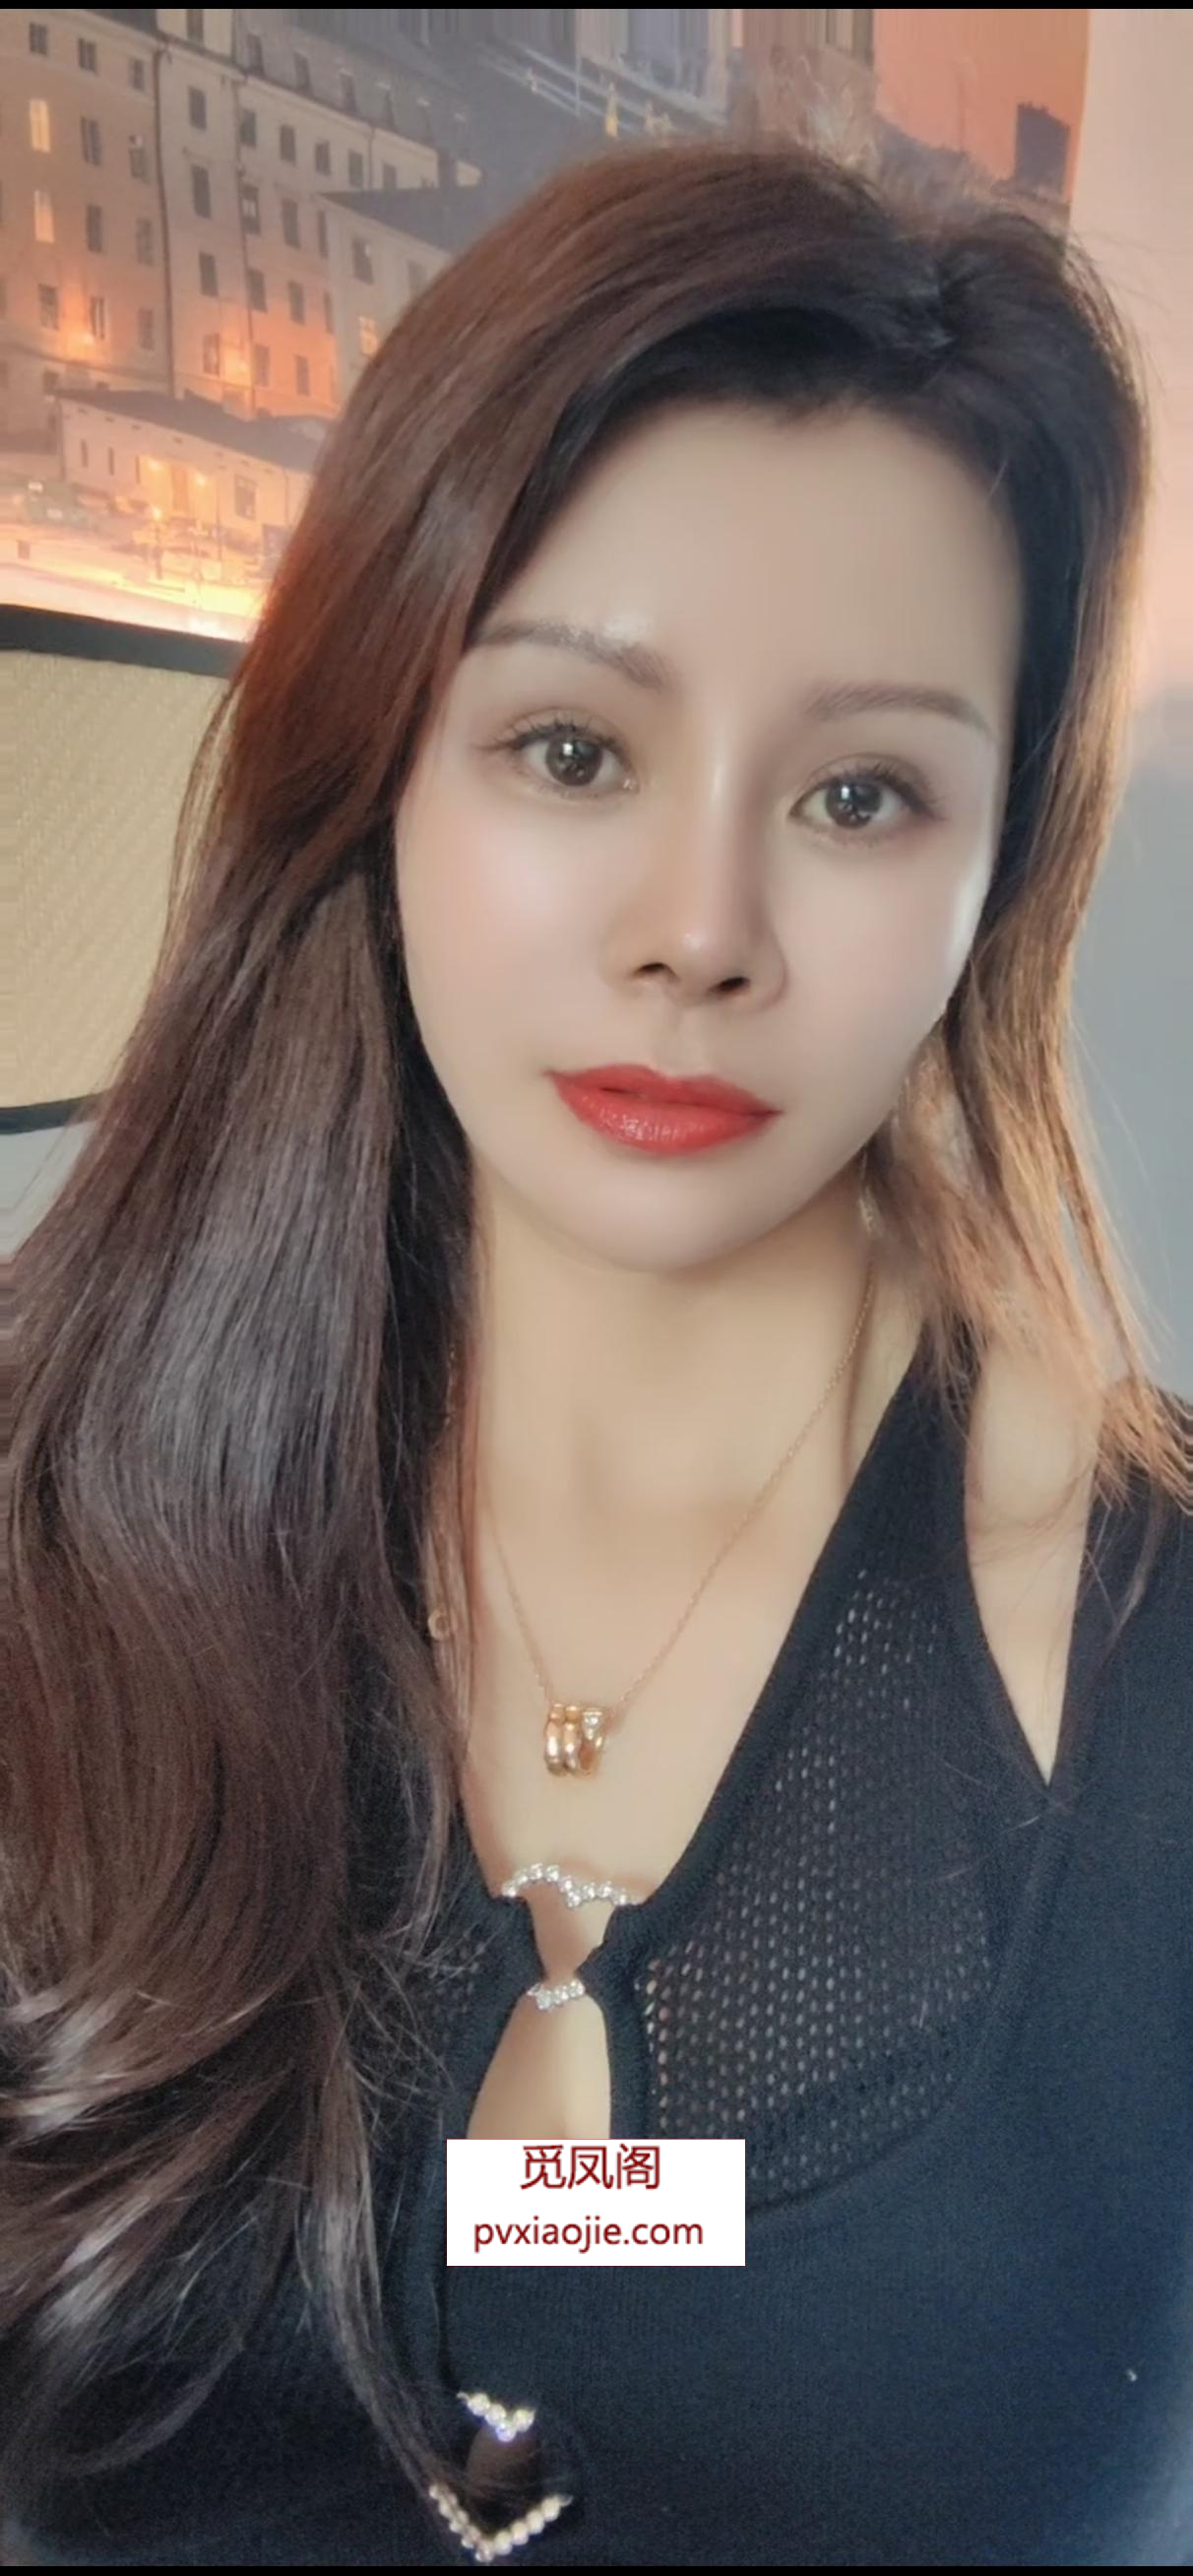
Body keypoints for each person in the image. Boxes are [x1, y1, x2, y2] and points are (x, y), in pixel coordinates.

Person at [4, 137, 1191, 2570]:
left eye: (861, 794)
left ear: (994, 879)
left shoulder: (1150, 1646)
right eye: (573, 750)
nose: (699, 927)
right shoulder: (51, 1520)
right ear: (379, 766)